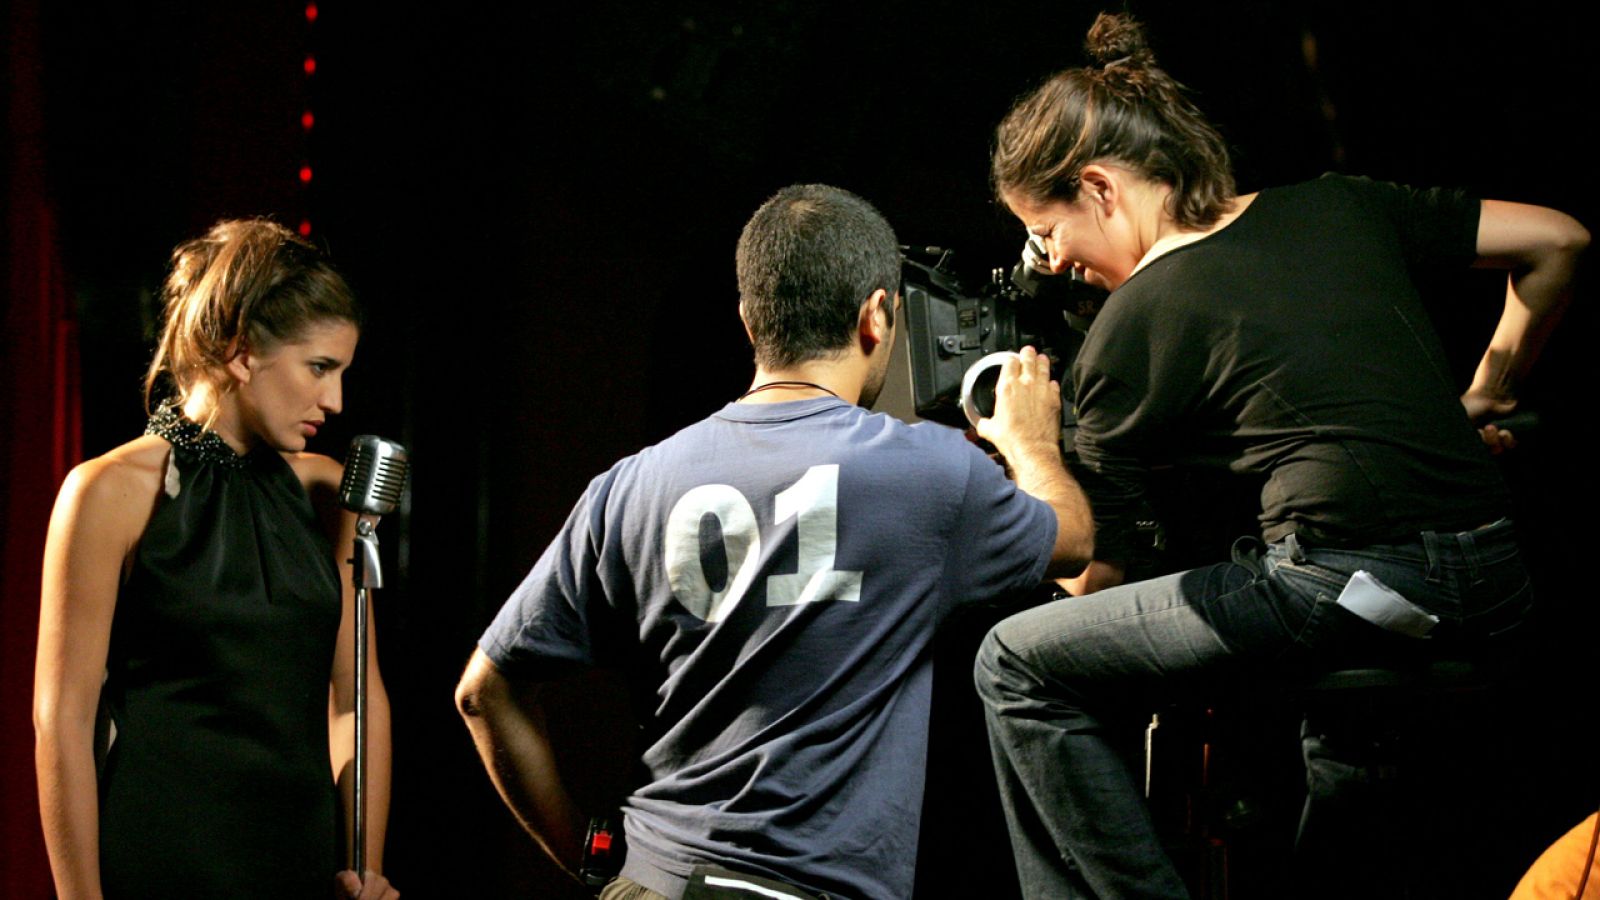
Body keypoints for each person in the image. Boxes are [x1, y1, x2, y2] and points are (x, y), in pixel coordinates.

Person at [971, 12, 1587, 899]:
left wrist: (1030, 449)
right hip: (1495, 585)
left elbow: (1089, 580)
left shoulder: (1135, 320)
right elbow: (1560, 241)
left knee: (1015, 665)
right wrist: (1486, 390)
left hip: (1353, 588)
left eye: (1047, 233)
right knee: (1345, 742)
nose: (1052, 262)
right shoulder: (1339, 202)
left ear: (1100, 189)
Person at [455, 183, 1093, 900]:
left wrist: (587, 856)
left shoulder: (628, 485)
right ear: (877, 317)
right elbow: (1072, 543)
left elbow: (483, 692)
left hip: (652, 879)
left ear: (749, 321)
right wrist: (1033, 444)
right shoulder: (928, 473)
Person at [33, 219, 400, 899]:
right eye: (320, 368)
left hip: (302, 863)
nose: (336, 401)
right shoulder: (107, 491)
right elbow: (63, 720)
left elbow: (354, 698)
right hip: (164, 858)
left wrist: (363, 864)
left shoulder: (327, 493)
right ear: (240, 353)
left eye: (343, 372)